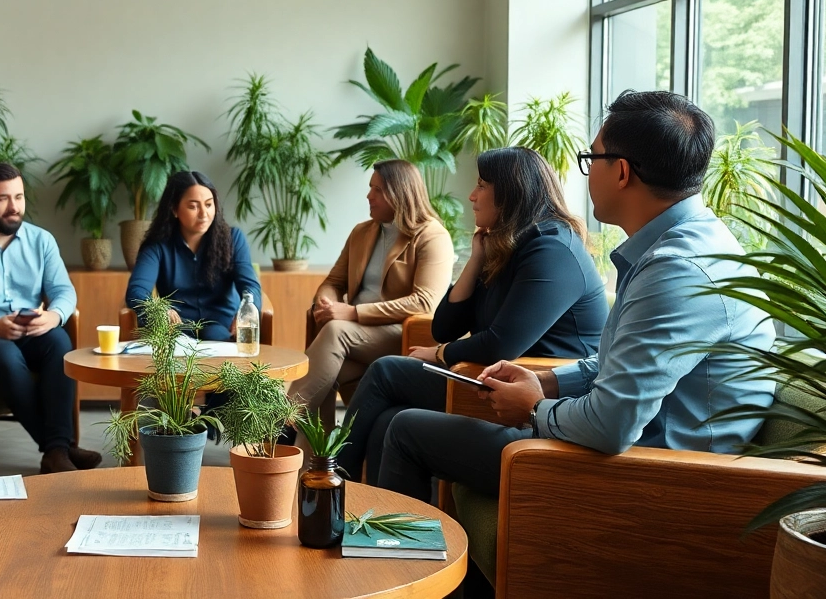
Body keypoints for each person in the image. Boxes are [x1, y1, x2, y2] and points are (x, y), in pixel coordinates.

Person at [376, 90, 776, 502]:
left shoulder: (676, 270)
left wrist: (534, 408)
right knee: (401, 417)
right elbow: (613, 366)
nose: (587, 172)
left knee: (406, 430)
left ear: (621, 172)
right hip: (637, 448)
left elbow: (610, 426)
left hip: (658, 475)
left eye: (592, 158)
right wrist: (546, 381)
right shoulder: (684, 245)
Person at [335, 148, 606, 481]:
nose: (472, 196)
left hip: (537, 389)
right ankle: (360, 501)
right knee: (387, 418)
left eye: (481, 185)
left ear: (509, 193)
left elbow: (500, 344)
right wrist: (476, 258)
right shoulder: (507, 245)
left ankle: (331, 477)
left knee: (386, 370)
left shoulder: (551, 250)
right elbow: (444, 326)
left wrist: (441, 354)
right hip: (495, 376)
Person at [0, 162, 101, 474]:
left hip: (29, 331)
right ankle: (60, 449)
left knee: (59, 342)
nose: (14, 207)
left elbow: (63, 290)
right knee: (6, 355)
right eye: (3, 198)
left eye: (19, 197)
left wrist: (53, 315)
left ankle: (56, 452)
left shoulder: (42, 240)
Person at [288, 159, 454, 426]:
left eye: (377, 189)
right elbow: (334, 281)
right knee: (324, 374)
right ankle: (315, 450)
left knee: (335, 331)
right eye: (370, 188)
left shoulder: (432, 237)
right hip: (356, 333)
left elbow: (424, 303)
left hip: (400, 332)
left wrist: (353, 312)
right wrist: (326, 302)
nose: (369, 196)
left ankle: (282, 422)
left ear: (400, 193)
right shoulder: (362, 232)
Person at [124, 170, 262, 342]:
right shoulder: (157, 246)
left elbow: (250, 286)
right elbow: (136, 291)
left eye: (209, 204)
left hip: (223, 330)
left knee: (214, 335)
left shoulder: (233, 239)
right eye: (193, 206)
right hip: (176, 332)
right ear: (174, 209)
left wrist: (247, 312)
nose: (204, 214)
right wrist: (159, 311)